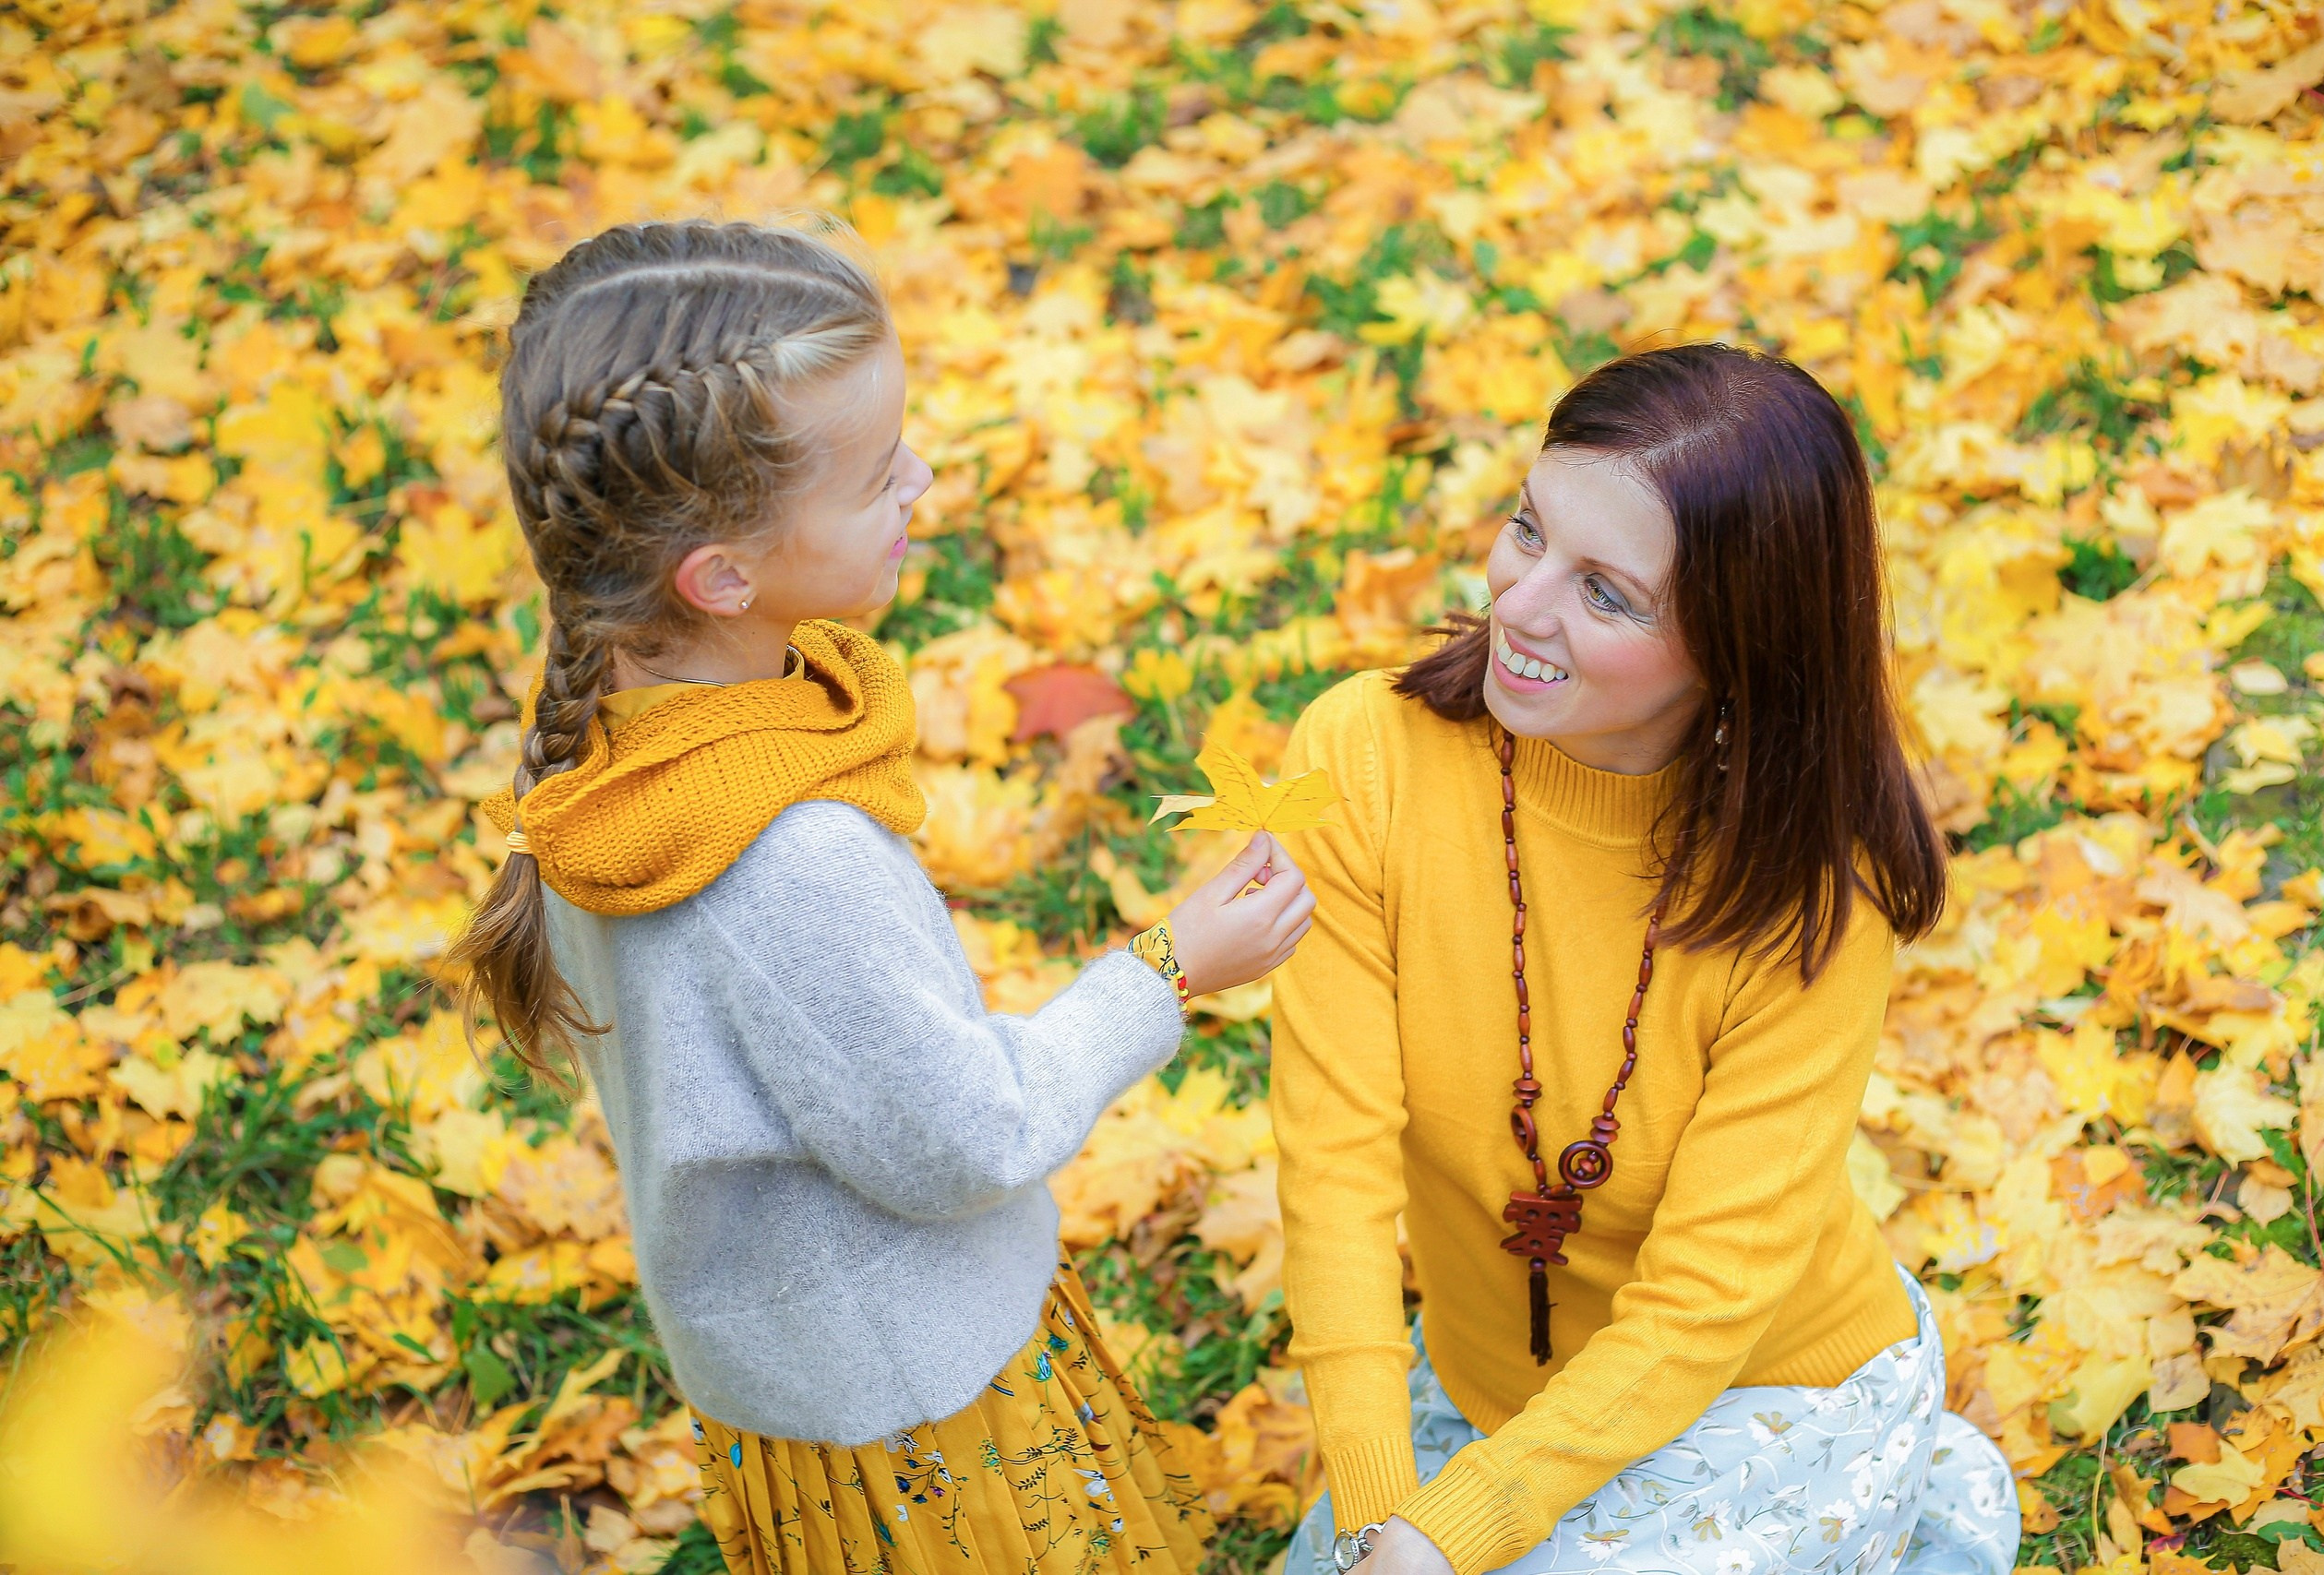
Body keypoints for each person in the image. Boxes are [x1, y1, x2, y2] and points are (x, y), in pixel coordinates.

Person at [449, 218, 1316, 1575]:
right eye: (875, 472)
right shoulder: (785, 857)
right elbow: (961, 1137)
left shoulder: (615, 716)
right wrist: (1170, 966)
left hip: (798, 1368)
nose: (922, 477)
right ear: (722, 575)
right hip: (915, 1398)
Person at [1271, 345, 2019, 1575]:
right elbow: (1332, 1165)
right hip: (1490, 1396)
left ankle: (1917, 1492)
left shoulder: (1812, 897)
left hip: (1758, 1388)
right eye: (1528, 530)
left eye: (1605, 594)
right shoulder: (1363, 760)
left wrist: (1449, 1536)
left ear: (1740, 648)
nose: (1517, 604)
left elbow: (1703, 1308)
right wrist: (1371, 1511)